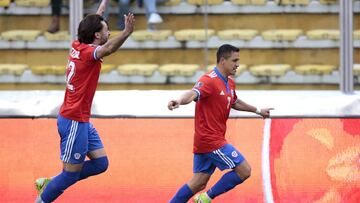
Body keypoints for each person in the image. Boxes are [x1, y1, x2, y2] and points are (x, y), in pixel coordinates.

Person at [34, 0, 135, 202]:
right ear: (97, 35)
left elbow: (90, 25)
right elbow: (109, 49)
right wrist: (126, 33)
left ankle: (52, 182)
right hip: (72, 121)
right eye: (106, 29)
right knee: (70, 174)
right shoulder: (90, 54)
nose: (109, 32)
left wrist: (102, 6)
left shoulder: (79, 44)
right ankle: (44, 196)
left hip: (81, 120)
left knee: (100, 164)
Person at [168, 44, 273, 203]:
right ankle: (205, 199)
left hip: (209, 140)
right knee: (244, 170)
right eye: (234, 60)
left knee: (198, 182)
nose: (237, 64)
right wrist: (178, 100)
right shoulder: (208, 80)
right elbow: (193, 93)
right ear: (222, 60)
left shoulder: (229, 83)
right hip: (211, 141)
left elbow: (234, 102)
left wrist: (258, 110)